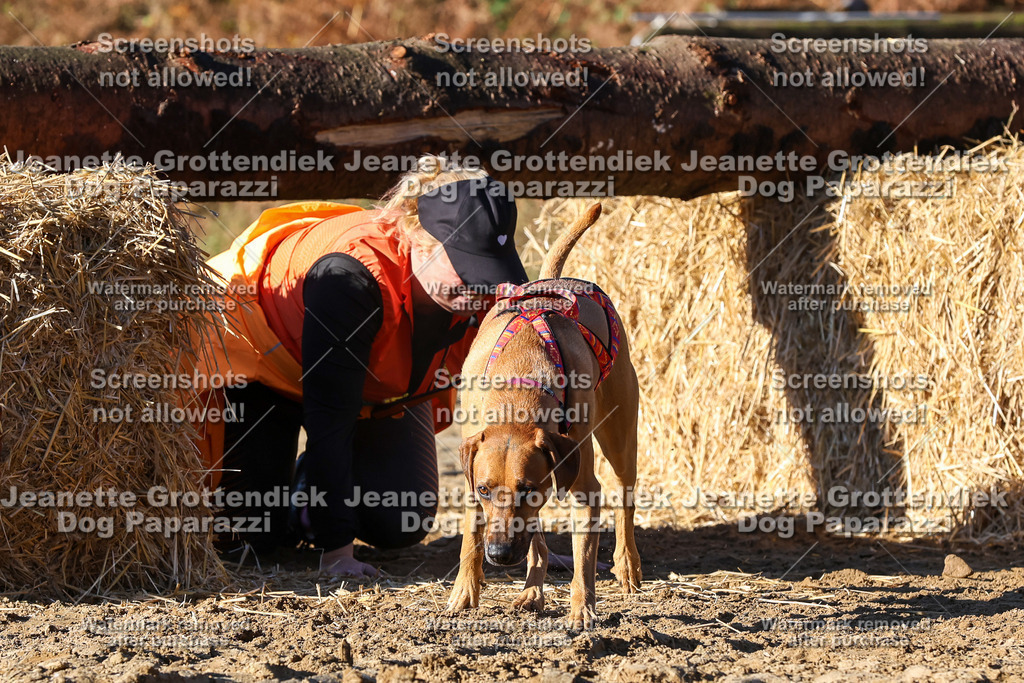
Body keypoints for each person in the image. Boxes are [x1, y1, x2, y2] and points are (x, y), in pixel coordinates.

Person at [191, 157, 528, 577]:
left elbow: (519, 414)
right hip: (265, 371)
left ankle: (304, 493)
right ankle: (303, 501)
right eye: (464, 267)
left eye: (486, 270)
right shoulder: (348, 279)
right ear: (416, 237)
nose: (480, 287)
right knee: (247, 536)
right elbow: (330, 416)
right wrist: (337, 553)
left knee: (397, 519)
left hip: (370, 388)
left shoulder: (480, 291)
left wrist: (537, 546)